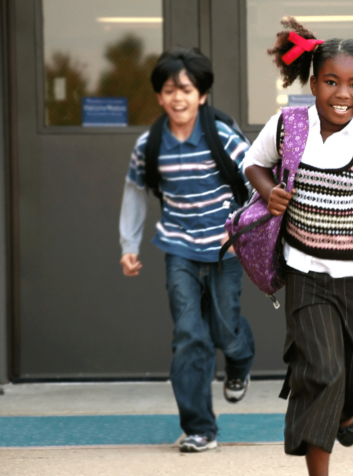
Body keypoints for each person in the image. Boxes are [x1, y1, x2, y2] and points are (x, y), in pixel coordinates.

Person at [242, 16, 353, 476]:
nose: (342, 94)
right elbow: (253, 164)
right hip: (305, 276)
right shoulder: (287, 127)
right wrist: (267, 191)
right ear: (313, 83)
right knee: (321, 373)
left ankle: (348, 410)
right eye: (331, 82)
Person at [118, 47, 255, 453]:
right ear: (159, 97)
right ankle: (200, 428)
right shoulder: (150, 144)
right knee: (188, 335)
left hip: (224, 249)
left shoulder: (222, 135)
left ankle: (239, 364)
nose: (178, 97)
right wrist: (129, 244)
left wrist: (238, 230)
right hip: (178, 247)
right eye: (169, 90)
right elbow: (134, 192)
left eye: (186, 89)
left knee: (226, 331)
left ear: (202, 95)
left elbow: (255, 182)